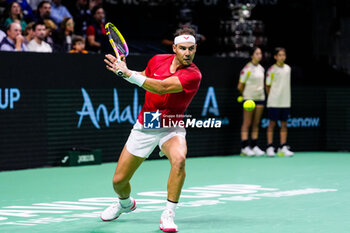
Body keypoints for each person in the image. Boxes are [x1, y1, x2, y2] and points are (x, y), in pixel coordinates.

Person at [100, 27, 202, 233]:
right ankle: (125, 204)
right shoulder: (157, 60)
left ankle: (168, 214)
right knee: (119, 182)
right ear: (174, 48)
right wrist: (126, 71)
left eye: (191, 48)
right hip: (147, 123)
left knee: (179, 160)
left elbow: (162, 87)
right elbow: (145, 76)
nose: (187, 53)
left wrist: (128, 74)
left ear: (195, 48)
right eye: (183, 48)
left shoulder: (193, 74)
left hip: (172, 125)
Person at [265, 47, 294, 157]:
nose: (282, 57)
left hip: (285, 101)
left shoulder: (288, 69)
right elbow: (267, 86)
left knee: (284, 124)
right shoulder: (271, 70)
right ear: (275, 57)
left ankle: (282, 147)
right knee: (271, 124)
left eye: (283, 55)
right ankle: (270, 147)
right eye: (280, 55)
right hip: (274, 101)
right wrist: (273, 96)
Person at [237, 47, 265, 156]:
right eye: (257, 53)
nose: (259, 55)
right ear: (252, 55)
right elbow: (240, 86)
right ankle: (244, 147)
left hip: (260, 98)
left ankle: (254, 146)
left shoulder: (261, 68)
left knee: (256, 123)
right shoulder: (247, 69)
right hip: (249, 98)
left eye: (260, 53)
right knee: (247, 123)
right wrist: (246, 95)